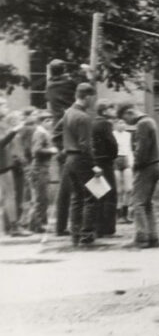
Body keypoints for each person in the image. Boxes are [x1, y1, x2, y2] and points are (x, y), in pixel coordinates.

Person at [48, 60, 93, 237]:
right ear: (64, 70)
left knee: (69, 189)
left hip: (64, 137)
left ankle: (65, 227)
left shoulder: (50, 85)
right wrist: (87, 73)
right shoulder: (69, 85)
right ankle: (84, 228)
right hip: (72, 134)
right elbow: (82, 89)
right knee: (80, 191)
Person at [117, 102, 159, 249]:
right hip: (156, 164)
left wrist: (135, 165)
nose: (126, 123)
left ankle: (141, 238)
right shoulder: (150, 120)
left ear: (129, 112)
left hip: (147, 166)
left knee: (137, 202)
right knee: (147, 203)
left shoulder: (142, 124)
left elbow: (142, 150)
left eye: (125, 119)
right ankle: (153, 237)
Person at [62, 83, 101, 246]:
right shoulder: (83, 117)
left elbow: (58, 133)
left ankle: (75, 234)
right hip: (81, 160)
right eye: (93, 98)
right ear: (87, 97)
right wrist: (94, 165)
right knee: (92, 196)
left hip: (69, 159)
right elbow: (85, 145)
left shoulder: (68, 113)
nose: (94, 101)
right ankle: (87, 234)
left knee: (77, 197)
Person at [26, 110, 58, 233]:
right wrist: (51, 150)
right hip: (39, 168)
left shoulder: (44, 132)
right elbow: (36, 150)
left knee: (42, 197)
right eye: (47, 120)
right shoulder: (40, 133)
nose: (50, 123)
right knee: (40, 198)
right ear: (41, 122)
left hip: (43, 168)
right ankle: (36, 224)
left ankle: (38, 223)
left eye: (51, 120)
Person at [92, 100, 118, 236]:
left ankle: (98, 227)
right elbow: (112, 143)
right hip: (105, 162)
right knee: (110, 195)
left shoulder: (94, 123)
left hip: (95, 161)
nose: (114, 111)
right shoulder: (106, 124)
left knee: (98, 194)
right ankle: (109, 228)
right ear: (104, 111)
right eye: (111, 108)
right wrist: (113, 155)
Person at [0, 100, 26, 236]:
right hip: (2, 163)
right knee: (10, 195)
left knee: (6, 195)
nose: (6, 107)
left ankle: (9, 226)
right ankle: (14, 227)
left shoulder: (3, 123)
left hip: (4, 162)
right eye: (3, 105)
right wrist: (14, 131)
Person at [113, 118, 134, 224]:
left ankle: (125, 214)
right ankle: (118, 215)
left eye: (123, 122)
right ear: (115, 124)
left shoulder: (128, 135)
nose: (122, 125)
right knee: (118, 190)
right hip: (116, 160)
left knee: (129, 189)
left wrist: (131, 162)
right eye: (119, 123)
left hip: (125, 159)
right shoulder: (112, 135)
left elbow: (129, 149)